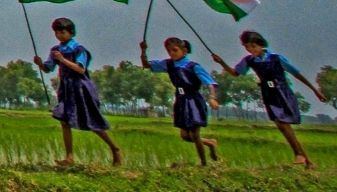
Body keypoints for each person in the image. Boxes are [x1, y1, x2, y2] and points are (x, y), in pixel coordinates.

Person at [212, 30, 327, 168]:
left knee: (283, 124)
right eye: (247, 47)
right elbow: (236, 73)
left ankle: (299, 154)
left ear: (261, 45)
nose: (250, 50)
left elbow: (296, 74)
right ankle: (306, 160)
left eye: (253, 46)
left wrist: (315, 90)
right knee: (281, 125)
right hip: (268, 93)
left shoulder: (276, 58)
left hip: (282, 92)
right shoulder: (249, 60)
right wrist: (221, 62)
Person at [33, 17, 122, 166]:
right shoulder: (56, 50)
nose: (59, 35)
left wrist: (62, 59)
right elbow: (48, 68)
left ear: (71, 33)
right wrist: (40, 63)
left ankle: (115, 148)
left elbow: (81, 69)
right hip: (66, 89)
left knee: (92, 122)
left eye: (62, 32)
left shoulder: (79, 50)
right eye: (56, 33)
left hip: (81, 88)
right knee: (64, 121)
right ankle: (69, 157)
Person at [139, 37, 219, 165]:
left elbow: (210, 83)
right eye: (169, 51)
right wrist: (143, 51)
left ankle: (203, 164)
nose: (172, 53)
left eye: (175, 50)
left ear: (184, 50)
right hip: (181, 100)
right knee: (185, 136)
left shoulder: (193, 66)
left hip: (193, 100)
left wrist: (212, 97)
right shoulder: (168, 64)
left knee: (195, 133)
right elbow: (146, 65)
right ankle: (210, 143)